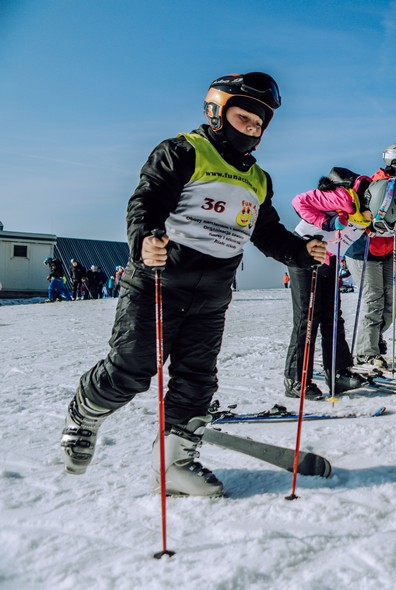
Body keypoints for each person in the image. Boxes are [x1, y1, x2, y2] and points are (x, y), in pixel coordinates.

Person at [59, 72, 327, 497]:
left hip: (212, 295)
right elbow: (147, 200)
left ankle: (174, 465)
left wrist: (300, 251)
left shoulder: (258, 179)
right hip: (158, 283)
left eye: (259, 124)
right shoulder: (183, 151)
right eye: (243, 119)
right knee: (132, 369)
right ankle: (84, 413)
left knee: (197, 382)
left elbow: (267, 232)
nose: (252, 129)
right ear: (217, 113)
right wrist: (144, 240)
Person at [284, 167, 375, 399]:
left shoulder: (367, 213)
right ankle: (296, 380)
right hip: (305, 252)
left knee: (333, 316)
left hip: (329, 257)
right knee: (307, 318)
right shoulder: (342, 197)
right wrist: (327, 221)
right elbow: (299, 202)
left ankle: (338, 373)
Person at [345, 142, 396, 367]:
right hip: (364, 250)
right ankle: (365, 352)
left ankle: (372, 337)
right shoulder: (376, 184)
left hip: (387, 250)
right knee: (374, 302)